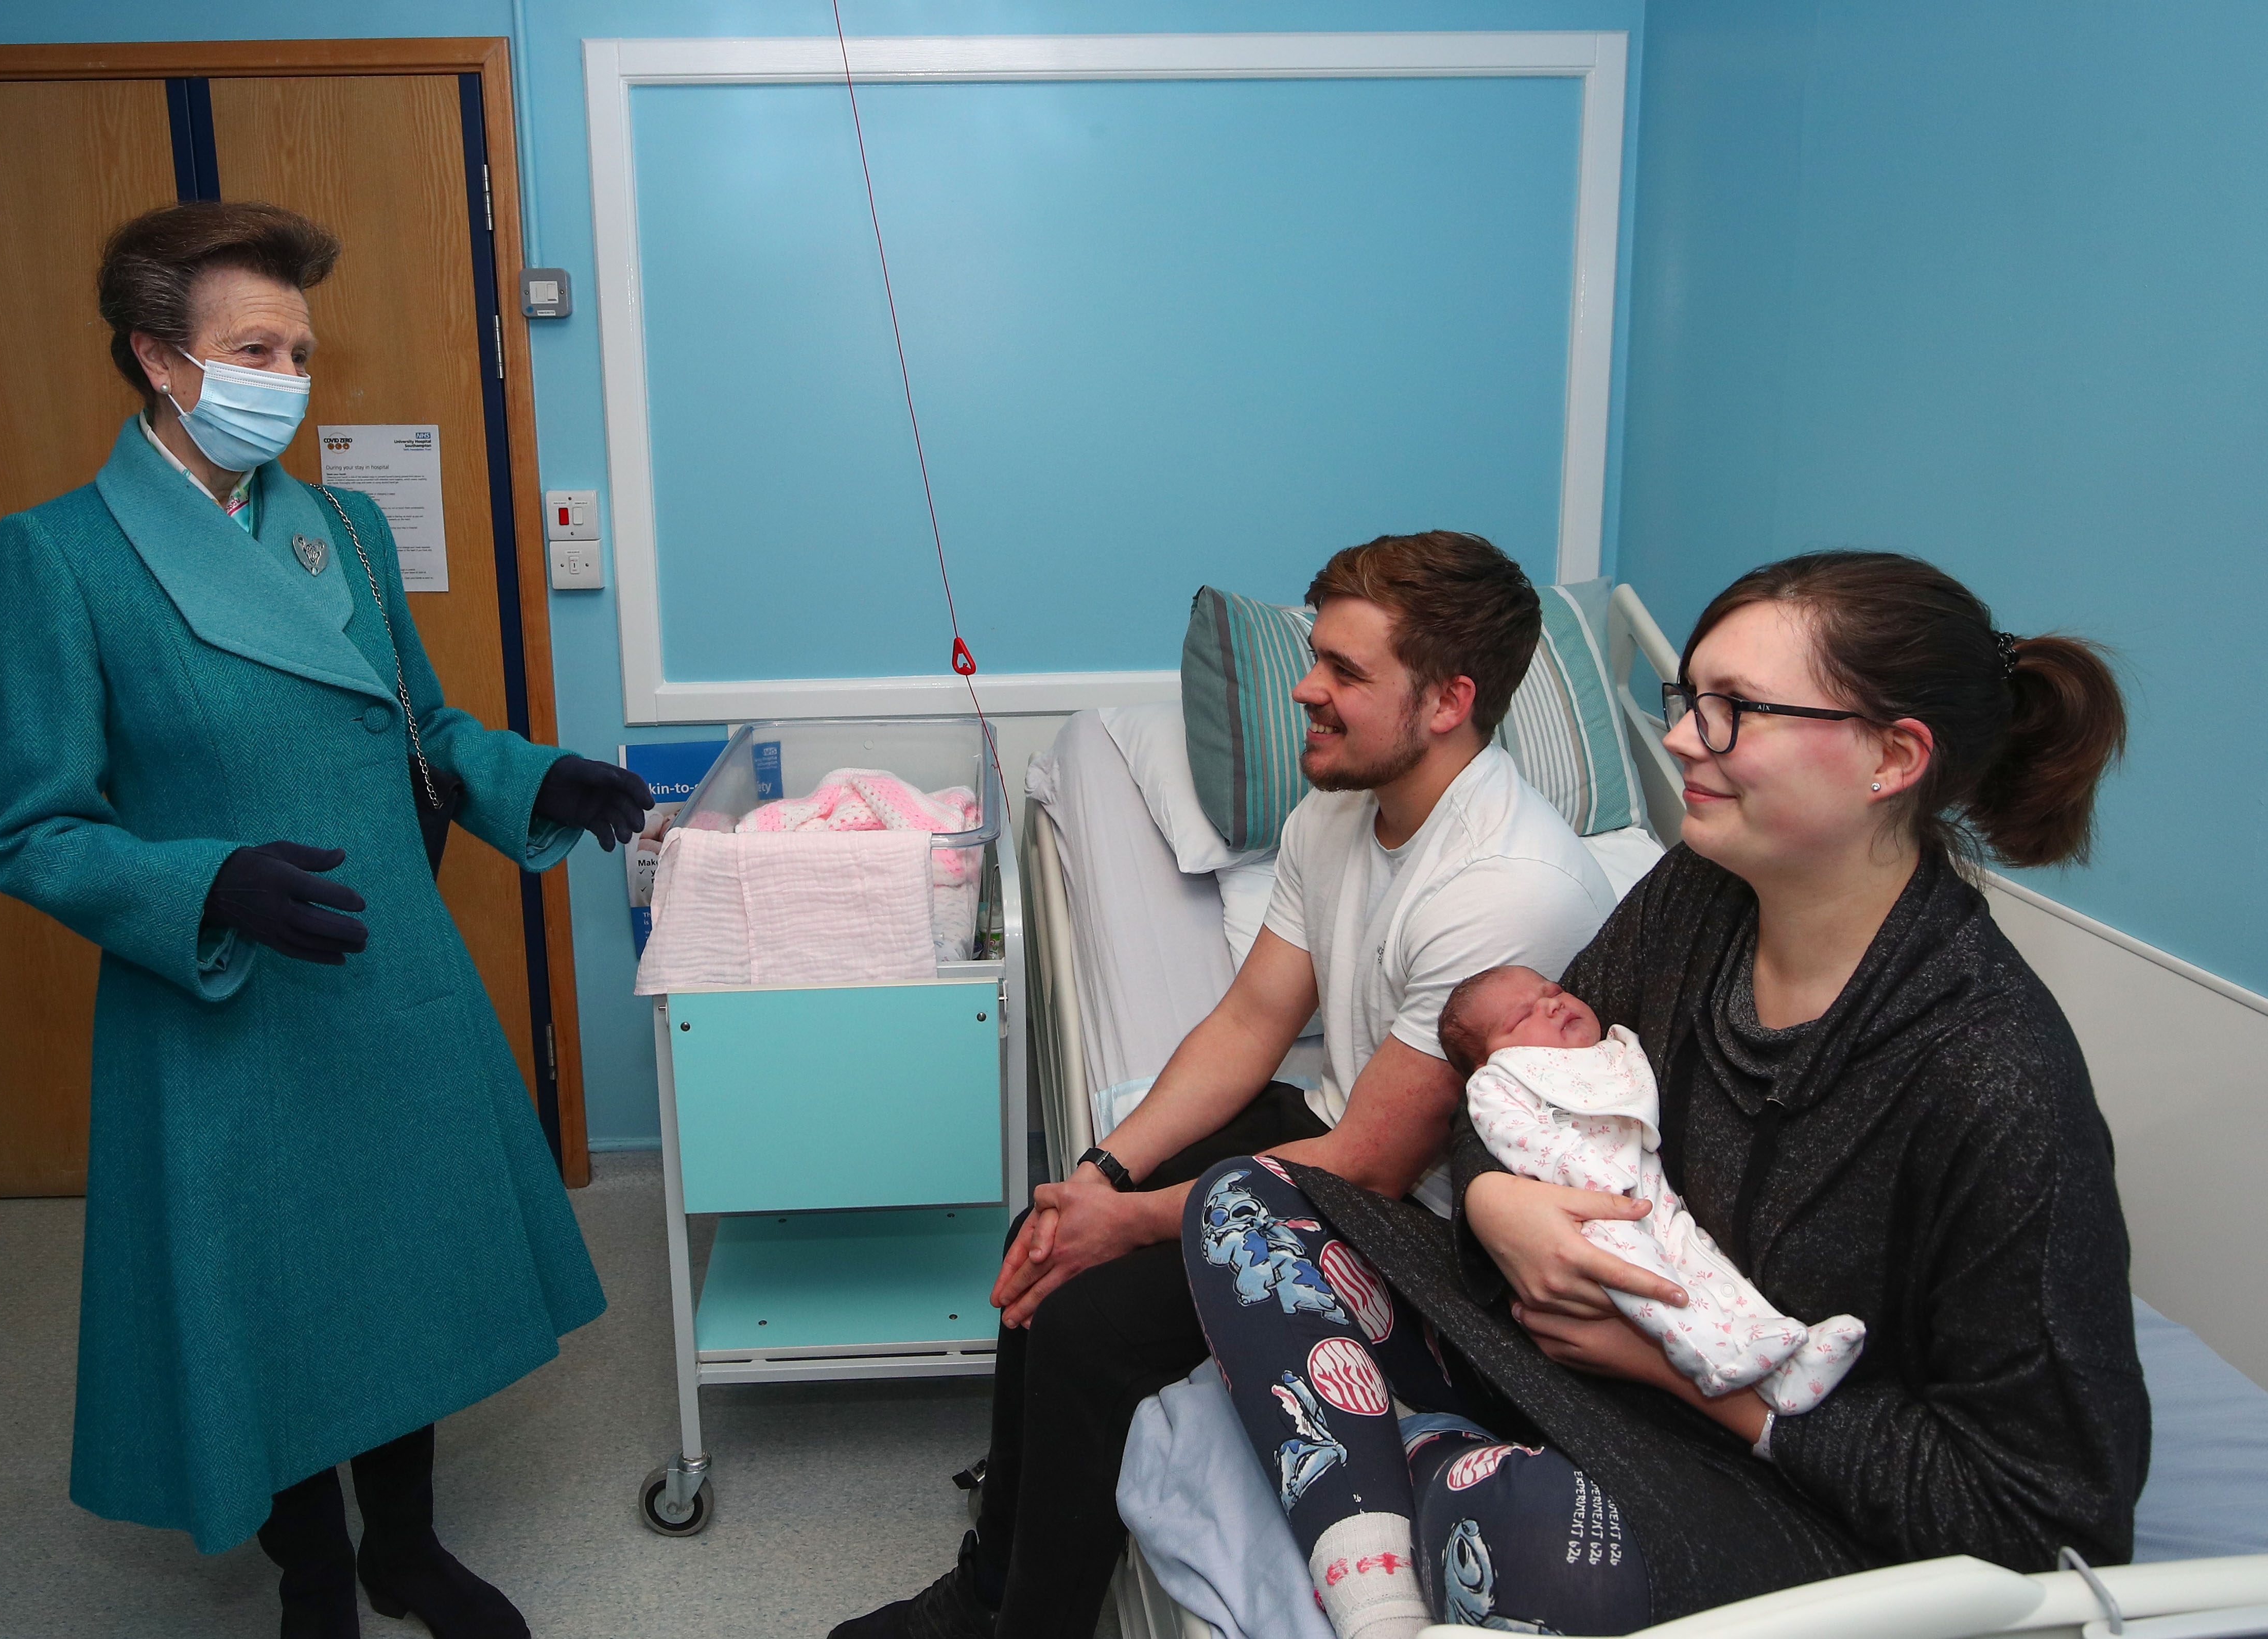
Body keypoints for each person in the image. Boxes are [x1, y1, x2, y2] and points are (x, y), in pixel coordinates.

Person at [1187, 550, 2148, 1636]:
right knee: (1241, 1202)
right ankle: (1386, 1553)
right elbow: (1511, 1085)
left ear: (1889, 755)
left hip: (1780, 1483)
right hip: (1582, 1365)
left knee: (1511, 1523)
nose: (1683, 737)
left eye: (1733, 709)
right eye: (1687, 698)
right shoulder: (1696, 896)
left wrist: (1694, 1382)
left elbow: (2041, 1518)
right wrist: (1498, 1204)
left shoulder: (1990, 1076)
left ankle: (1411, 1459)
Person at [0, 201, 652, 1639]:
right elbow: (35, 830)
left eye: (298, 348)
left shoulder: (335, 529)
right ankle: (314, 1574)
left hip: (379, 968)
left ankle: (404, 1549)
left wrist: (548, 776)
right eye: (253, 348)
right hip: (221, 993)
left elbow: (424, 728)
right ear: (160, 359)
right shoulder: (57, 557)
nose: (285, 375)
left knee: (392, 1279)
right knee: (271, 1296)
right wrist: (201, 881)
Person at [831, 531, 1617, 1639]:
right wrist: (1101, 1174)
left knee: (1088, 1315)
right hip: (1351, 1136)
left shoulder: (1504, 890)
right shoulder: (1337, 808)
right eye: (1316, 658)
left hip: (1449, 1241)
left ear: (1447, 701)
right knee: (1049, 1231)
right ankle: (991, 1586)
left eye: (1345, 672)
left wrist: (1135, 1223)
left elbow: (1374, 1166)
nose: (1305, 689)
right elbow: (1252, 1020)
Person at [1439, 965, 1865, 1414]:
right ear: (1490, 1058)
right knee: (1650, 1281)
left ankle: (1784, 1354)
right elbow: (1515, 1137)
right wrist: (1584, 1171)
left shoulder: (1615, 1050)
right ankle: (1709, 1358)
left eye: (1555, 990)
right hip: (1583, 1213)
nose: (1552, 1003)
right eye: (1522, 1016)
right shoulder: (1498, 1081)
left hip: (1653, 1194)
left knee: (1704, 1263)